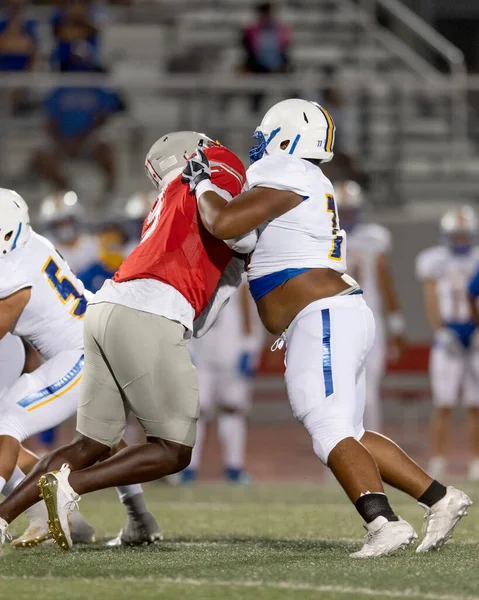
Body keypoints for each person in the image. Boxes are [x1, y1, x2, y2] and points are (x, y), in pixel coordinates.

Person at [181, 99, 472, 557]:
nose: (258, 143)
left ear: (285, 138)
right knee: (345, 432)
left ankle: (384, 523)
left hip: (323, 314)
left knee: (325, 424)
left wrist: (200, 185)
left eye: (265, 134)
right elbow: (242, 237)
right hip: (331, 313)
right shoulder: (300, 178)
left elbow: (223, 222)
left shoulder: (288, 170)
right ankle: (440, 498)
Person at [0, 132, 258, 551]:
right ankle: (68, 490)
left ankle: (35, 512)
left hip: (107, 308)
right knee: (173, 450)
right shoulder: (213, 166)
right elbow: (236, 234)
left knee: (91, 443)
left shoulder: (165, 200)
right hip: (140, 313)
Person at [0, 188, 161, 548]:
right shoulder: (34, 243)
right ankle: (137, 516)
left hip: (81, 351)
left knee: (7, 423)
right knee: (100, 439)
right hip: (95, 336)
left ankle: (7, 517)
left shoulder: (12, 271)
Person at [336, 181, 405, 432]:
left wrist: (397, 326)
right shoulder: (322, 238)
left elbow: (386, 283)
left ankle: (369, 449)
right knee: (340, 393)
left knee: (368, 391)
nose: (346, 217)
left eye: (350, 211)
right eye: (342, 211)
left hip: (369, 319)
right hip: (337, 321)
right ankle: (344, 449)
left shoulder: (373, 239)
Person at [417, 206, 479, 481]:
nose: (461, 241)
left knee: (475, 404)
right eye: (457, 236)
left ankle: (476, 461)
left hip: (475, 334)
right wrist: (439, 330)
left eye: (465, 236)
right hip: (448, 336)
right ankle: (438, 459)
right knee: (443, 402)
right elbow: (431, 298)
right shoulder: (435, 260)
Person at [184, 279, 265, 483]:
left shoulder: (241, 277)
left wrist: (250, 348)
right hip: (201, 355)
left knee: (233, 409)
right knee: (196, 412)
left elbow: (251, 315)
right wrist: (186, 348)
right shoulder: (197, 275)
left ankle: (234, 467)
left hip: (232, 354)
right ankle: (189, 469)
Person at [32, 51, 123, 194]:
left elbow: (103, 116)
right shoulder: (58, 91)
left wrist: (81, 138)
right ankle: (67, 192)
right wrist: (62, 141)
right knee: (42, 156)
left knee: (107, 151)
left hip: (88, 140)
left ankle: (109, 195)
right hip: (61, 141)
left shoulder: (98, 88)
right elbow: (50, 120)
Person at [242, 2, 291, 112]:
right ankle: (255, 109)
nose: (267, 16)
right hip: (258, 66)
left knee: (291, 82)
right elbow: (248, 51)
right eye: (265, 13)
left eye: (268, 13)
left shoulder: (281, 29)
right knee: (256, 91)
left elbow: (285, 49)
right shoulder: (251, 30)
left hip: (279, 65)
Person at [39, 191, 98, 278]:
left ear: (75, 221)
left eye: (67, 222)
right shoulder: (45, 249)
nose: (64, 228)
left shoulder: (93, 244)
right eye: (59, 224)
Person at [78, 221, 129, 293]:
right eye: (107, 242)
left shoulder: (131, 272)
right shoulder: (88, 274)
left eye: (115, 242)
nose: (111, 246)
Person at [50, 0, 101, 72]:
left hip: (89, 71)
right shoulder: (59, 24)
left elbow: (95, 31)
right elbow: (61, 34)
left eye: (81, 5)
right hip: (64, 70)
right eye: (73, 5)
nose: (77, 8)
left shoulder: (91, 28)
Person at [0, 0, 37, 72]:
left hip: (23, 72)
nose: (15, 8)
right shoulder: (1, 24)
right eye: (13, 5)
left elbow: (32, 49)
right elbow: (2, 46)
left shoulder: (29, 25)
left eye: (18, 5)